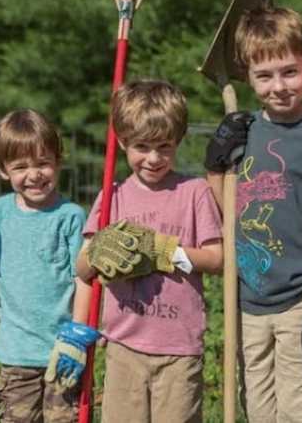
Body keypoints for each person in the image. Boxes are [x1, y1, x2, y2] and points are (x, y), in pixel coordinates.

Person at [205, 6, 302, 422]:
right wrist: (214, 165)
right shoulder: (245, 130)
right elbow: (227, 207)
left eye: (290, 72)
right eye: (264, 76)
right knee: (260, 413)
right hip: (248, 301)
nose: (279, 86)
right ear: (247, 75)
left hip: (301, 298)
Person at [76, 79, 223, 423]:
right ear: (123, 141)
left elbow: (217, 259)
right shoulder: (112, 196)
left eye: (164, 146)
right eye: (142, 146)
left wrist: (161, 251)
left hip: (179, 348)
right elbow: (83, 269)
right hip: (123, 344)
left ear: (179, 141)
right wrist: (99, 251)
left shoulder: (194, 192)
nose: (154, 158)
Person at [0, 109, 96, 423]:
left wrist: (77, 335)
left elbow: (84, 278)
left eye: (43, 163)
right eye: (20, 167)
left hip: (63, 352)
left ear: (58, 161)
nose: (34, 175)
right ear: (3, 170)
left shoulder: (70, 216)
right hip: (16, 354)